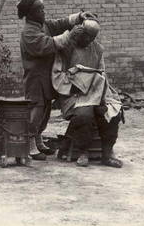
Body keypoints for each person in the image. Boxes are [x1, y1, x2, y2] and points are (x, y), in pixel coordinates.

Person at [18, 0, 87, 160]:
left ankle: (39, 141)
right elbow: (48, 45)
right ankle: (30, 145)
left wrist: (78, 17)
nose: (43, 11)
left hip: (46, 77)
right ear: (30, 13)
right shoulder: (29, 32)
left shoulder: (41, 25)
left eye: (43, 8)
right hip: (35, 79)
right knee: (36, 111)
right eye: (39, 9)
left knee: (45, 111)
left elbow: (59, 24)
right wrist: (70, 35)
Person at [51, 18, 124, 168]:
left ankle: (107, 153)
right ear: (79, 32)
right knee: (84, 114)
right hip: (73, 94)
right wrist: (76, 83)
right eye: (86, 36)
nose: (88, 40)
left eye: (92, 38)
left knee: (110, 112)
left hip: (95, 93)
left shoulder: (97, 49)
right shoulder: (66, 49)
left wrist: (103, 93)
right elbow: (57, 75)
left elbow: (102, 75)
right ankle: (83, 151)